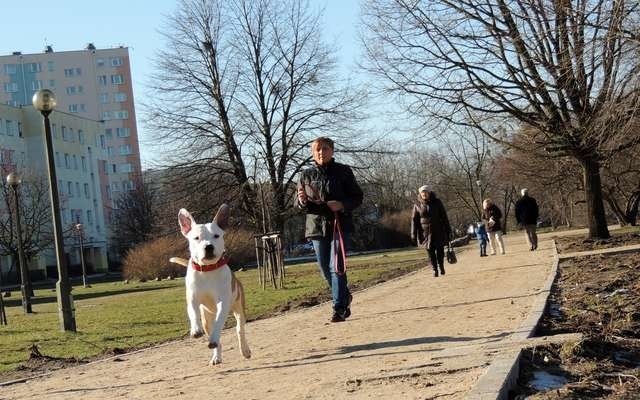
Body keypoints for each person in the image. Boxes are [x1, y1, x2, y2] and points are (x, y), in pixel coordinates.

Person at [296, 137, 363, 323]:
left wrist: (341, 205)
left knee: (337, 268)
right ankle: (345, 295)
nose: (321, 152)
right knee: (325, 269)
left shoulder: (344, 171)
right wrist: (301, 201)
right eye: (317, 149)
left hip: (339, 225)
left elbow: (357, 197)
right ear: (312, 152)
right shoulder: (305, 175)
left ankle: (339, 308)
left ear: (332, 151)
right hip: (316, 227)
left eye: (325, 149)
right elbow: (298, 204)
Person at [411, 185, 452, 277]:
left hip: (438, 231)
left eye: (426, 192)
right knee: (430, 252)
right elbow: (414, 220)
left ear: (429, 193)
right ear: (420, 194)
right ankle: (435, 269)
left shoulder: (437, 202)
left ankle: (441, 266)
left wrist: (448, 230)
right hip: (425, 233)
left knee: (440, 251)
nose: (424, 194)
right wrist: (413, 234)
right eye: (422, 192)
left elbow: (444, 217)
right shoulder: (417, 205)